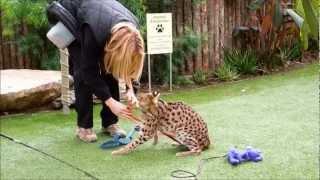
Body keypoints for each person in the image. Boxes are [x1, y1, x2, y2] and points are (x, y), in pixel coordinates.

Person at [46, 0, 144, 142]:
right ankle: (84, 127)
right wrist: (111, 102)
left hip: (98, 17)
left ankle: (110, 122)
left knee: (110, 71)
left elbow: (132, 63)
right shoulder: (93, 31)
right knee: (82, 72)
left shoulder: (134, 34)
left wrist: (131, 89)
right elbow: (89, 72)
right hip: (73, 18)